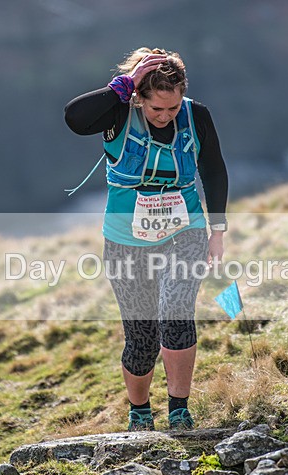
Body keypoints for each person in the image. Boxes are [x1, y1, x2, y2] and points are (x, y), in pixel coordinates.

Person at [64, 47, 229, 431]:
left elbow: (215, 170)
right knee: (142, 340)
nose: (165, 116)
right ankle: (139, 412)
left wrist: (217, 231)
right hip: (125, 241)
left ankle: (179, 410)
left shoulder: (196, 115)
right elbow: (74, 117)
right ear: (140, 97)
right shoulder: (118, 113)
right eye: (157, 109)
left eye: (172, 108)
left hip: (184, 231)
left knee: (176, 312)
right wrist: (124, 85)